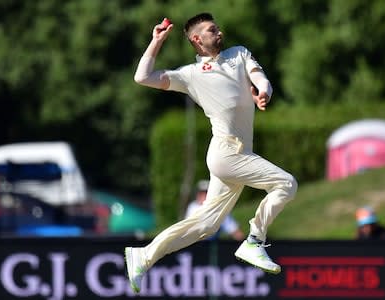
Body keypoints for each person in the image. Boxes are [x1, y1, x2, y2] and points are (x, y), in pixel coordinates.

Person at [124, 13, 298, 293]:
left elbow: (259, 77)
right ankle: (255, 240)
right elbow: (142, 77)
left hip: (236, 155)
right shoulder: (190, 76)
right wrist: (156, 42)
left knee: (206, 225)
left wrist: (263, 91)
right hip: (227, 153)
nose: (219, 32)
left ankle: (144, 255)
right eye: (211, 30)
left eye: (217, 27)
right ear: (197, 39)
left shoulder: (238, 54)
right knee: (286, 183)